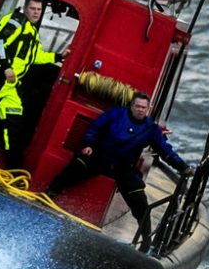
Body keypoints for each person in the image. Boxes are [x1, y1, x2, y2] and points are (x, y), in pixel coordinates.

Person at [47, 92, 195, 252]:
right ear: (131, 106)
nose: (140, 110)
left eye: (143, 108)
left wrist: (183, 167)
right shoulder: (115, 114)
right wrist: (88, 144)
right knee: (78, 164)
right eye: (137, 106)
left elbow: (165, 151)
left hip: (123, 167)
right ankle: (50, 193)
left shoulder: (151, 129)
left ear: (148, 109)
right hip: (100, 157)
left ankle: (145, 237)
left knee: (137, 194)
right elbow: (95, 129)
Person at [0, 0, 69, 169]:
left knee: (14, 126)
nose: (36, 12)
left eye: (39, 10)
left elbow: (36, 56)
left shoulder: (32, 32)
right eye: (33, 8)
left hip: (12, 87)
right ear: (26, 8)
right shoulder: (16, 21)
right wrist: (6, 67)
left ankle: (14, 169)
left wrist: (59, 56)